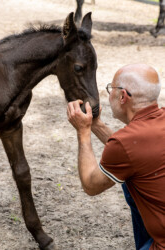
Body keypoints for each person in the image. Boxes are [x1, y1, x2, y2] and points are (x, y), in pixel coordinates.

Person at [67, 64, 165, 250]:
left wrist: (83, 132)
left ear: (122, 96)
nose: (108, 94)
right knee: (130, 180)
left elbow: (90, 185)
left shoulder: (125, 142)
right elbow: (133, 152)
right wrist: (95, 124)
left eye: (110, 89)